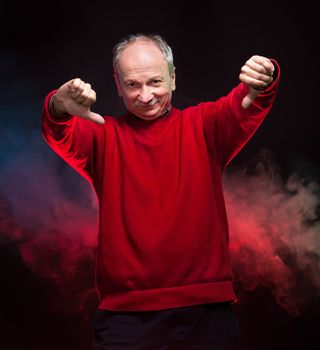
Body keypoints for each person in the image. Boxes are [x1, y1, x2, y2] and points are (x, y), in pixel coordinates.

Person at [41, 33, 280, 349]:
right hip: (125, 321)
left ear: (173, 78)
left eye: (155, 82)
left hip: (206, 315)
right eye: (132, 85)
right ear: (117, 84)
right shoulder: (103, 137)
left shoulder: (205, 126)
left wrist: (264, 76)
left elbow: (247, 102)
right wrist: (58, 105)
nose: (145, 96)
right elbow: (58, 130)